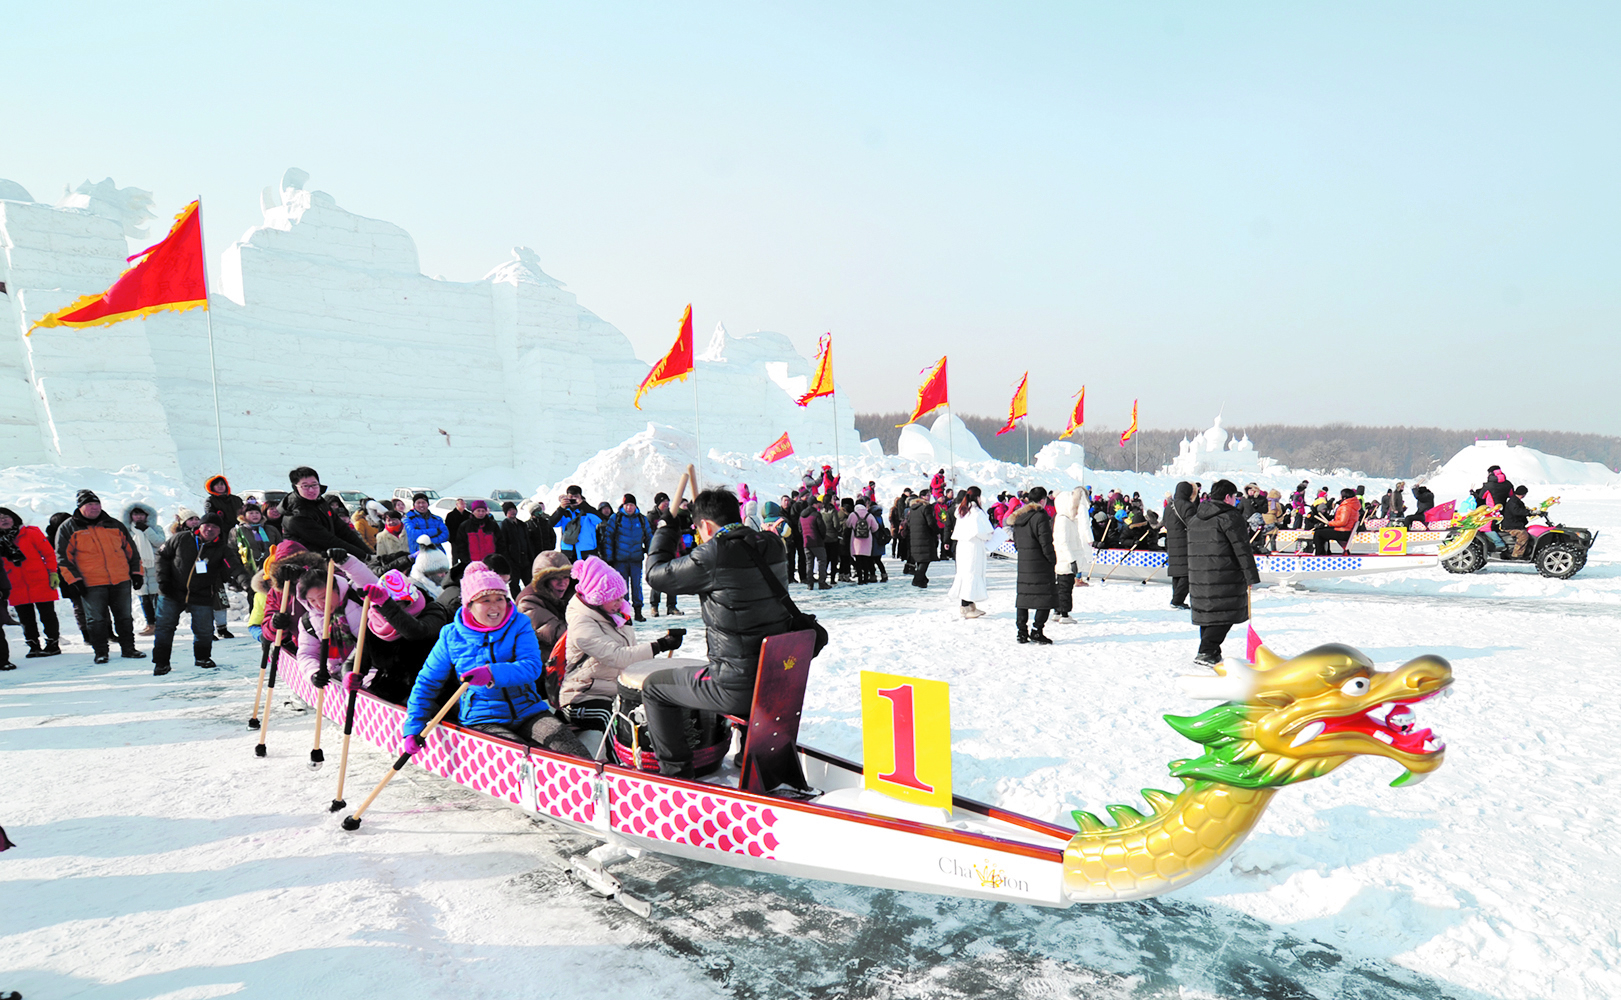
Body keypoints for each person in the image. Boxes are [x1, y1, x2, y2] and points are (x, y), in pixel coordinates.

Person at [640, 488, 793, 778]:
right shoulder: (771, 544)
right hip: (775, 677)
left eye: (699, 530)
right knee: (738, 656)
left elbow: (656, 575)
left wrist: (666, 529)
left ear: (706, 526)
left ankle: (676, 776)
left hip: (737, 686)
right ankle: (750, 758)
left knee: (654, 688)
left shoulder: (713, 554)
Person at [401, 562, 589, 756]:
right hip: (483, 718)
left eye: (500, 598)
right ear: (469, 605)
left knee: (571, 749)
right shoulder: (451, 635)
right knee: (516, 756)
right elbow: (427, 682)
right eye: (485, 600)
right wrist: (414, 725)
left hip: (528, 710)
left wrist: (492, 673)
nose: (495, 606)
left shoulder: (519, 624)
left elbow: (531, 666)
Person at [562, 555, 689, 732]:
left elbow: (630, 653)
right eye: (615, 599)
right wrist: (660, 645)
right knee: (616, 720)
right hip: (582, 696)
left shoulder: (617, 616)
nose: (621, 603)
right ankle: (621, 760)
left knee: (657, 710)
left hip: (615, 690)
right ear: (596, 598)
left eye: (621, 597)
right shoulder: (582, 624)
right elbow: (618, 656)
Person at [55, 490, 145, 664]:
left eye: (97, 504)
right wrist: (74, 580)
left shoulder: (114, 525)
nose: (94, 508)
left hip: (120, 580)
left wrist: (136, 573)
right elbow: (63, 558)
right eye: (89, 505)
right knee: (96, 619)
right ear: (80, 507)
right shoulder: (68, 528)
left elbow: (131, 551)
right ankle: (101, 652)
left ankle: (129, 648)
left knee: (124, 617)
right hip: (91, 583)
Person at [153, 513, 241, 674]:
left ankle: (202, 657)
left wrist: (248, 584)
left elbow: (235, 567)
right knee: (165, 627)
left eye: (215, 527)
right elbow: (162, 555)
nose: (210, 529)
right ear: (200, 525)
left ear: (220, 531)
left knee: (204, 629)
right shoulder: (181, 538)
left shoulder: (221, 548)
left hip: (202, 593)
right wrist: (163, 581)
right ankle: (161, 661)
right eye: (207, 525)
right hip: (171, 591)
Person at [1186, 480, 1261, 667]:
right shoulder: (1230, 517)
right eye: (1235, 497)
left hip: (1199, 574)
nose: (1236, 500)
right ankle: (1206, 651)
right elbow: (1242, 548)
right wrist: (1251, 575)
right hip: (1224, 573)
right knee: (1225, 613)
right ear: (1227, 497)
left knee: (1210, 613)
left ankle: (1211, 651)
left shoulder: (1196, 519)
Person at [355, 569, 451, 704]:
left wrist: (388, 605)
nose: (384, 612)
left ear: (409, 601)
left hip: (430, 691)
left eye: (397, 604)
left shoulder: (433, 610)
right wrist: (352, 674)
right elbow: (359, 657)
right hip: (387, 689)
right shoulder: (374, 620)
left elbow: (417, 632)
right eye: (381, 605)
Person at [0, 507, 62, 659]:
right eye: (0, 518)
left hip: (39, 580)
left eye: (6, 516)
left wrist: (53, 572)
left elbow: (48, 554)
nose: (4, 520)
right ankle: (33, 645)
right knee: (26, 618)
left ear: (14, 517)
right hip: (15, 583)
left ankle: (53, 644)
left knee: (48, 615)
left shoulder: (31, 533)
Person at [281, 467, 371, 560]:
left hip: (326, 557)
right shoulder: (296, 514)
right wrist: (364, 556)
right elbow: (328, 540)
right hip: (305, 562)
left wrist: (368, 552)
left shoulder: (320, 502)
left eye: (314, 485)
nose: (311, 490)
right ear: (295, 487)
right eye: (305, 486)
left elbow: (342, 530)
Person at [1007, 487, 1057, 644]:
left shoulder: (1020, 517)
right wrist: (1052, 559)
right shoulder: (1040, 516)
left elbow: (1016, 542)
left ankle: (1021, 632)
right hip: (1040, 564)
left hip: (1024, 563)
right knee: (1046, 597)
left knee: (1023, 597)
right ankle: (1037, 630)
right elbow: (1046, 542)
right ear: (1042, 500)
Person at [603, 494, 653, 621]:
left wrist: (651, 553)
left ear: (635, 505)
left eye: (631, 505)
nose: (629, 507)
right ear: (623, 505)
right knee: (622, 587)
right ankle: (625, 614)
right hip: (620, 559)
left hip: (636, 558)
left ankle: (638, 611)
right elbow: (608, 538)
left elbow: (648, 536)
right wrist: (609, 557)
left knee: (637, 586)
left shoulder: (641, 519)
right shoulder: (616, 518)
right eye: (627, 505)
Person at [946, 489, 991, 619]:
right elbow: (983, 532)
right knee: (971, 574)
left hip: (962, 546)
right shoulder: (976, 513)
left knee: (965, 574)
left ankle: (968, 604)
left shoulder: (962, 511)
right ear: (977, 497)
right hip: (973, 547)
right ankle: (967, 606)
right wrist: (990, 535)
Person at [517, 550, 573, 650]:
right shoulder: (528, 602)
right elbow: (557, 634)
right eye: (556, 578)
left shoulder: (568, 594)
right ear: (543, 581)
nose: (563, 582)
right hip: (545, 658)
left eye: (566, 577)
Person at [123, 503, 165, 634]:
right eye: (136, 514)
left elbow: (159, 542)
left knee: (157, 597)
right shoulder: (127, 531)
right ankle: (150, 624)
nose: (139, 517)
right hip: (138, 567)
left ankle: (161, 623)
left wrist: (147, 530)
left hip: (154, 565)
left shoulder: (155, 528)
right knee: (144, 598)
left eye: (141, 514)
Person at [1051, 487, 1086, 623]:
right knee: (1065, 588)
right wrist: (1072, 561)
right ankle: (1064, 614)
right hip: (1066, 561)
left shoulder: (1066, 520)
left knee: (1062, 587)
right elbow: (1064, 543)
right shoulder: (1063, 520)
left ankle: (1058, 611)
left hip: (1065, 560)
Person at [644, 494, 682, 616]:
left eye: (668, 501)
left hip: (671, 550)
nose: (666, 503)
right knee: (657, 578)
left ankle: (672, 606)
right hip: (657, 552)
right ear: (658, 503)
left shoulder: (673, 516)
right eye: (663, 501)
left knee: (672, 578)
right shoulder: (651, 517)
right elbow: (647, 534)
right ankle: (654, 606)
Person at [232, 502, 282, 588]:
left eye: (257, 513)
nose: (255, 515)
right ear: (244, 515)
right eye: (251, 513)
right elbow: (233, 549)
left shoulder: (270, 529)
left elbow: (280, 545)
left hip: (271, 567)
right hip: (250, 568)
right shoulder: (238, 531)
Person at [550, 486, 603, 561]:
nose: (573, 499)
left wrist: (583, 504)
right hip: (568, 551)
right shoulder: (564, 512)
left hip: (587, 550)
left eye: (576, 496)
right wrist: (561, 508)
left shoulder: (587, 510)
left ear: (581, 496)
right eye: (571, 496)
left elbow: (598, 519)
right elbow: (551, 523)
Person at [452, 500, 499, 575]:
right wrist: (465, 561)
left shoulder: (493, 525)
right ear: (473, 512)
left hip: (491, 564)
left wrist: (498, 559)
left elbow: (500, 543)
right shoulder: (465, 526)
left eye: (483, 511)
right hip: (472, 565)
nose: (481, 513)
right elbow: (461, 545)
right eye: (478, 511)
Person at [495, 502, 533, 595]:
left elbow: (527, 541)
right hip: (512, 561)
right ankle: (518, 603)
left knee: (529, 583)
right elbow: (502, 544)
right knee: (514, 584)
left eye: (513, 509)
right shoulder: (504, 525)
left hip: (525, 559)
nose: (512, 512)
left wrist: (530, 555)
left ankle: (531, 600)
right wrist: (507, 559)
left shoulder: (522, 524)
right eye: (509, 510)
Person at [1312, 489, 1361, 555]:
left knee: (1318, 533)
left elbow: (1343, 522)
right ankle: (1326, 552)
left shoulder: (1346, 507)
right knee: (1323, 531)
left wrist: (1329, 523)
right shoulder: (1352, 505)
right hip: (1346, 530)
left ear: (1344, 497)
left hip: (1343, 532)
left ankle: (1319, 554)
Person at [905, 494, 938, 588]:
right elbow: (931, 522)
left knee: (920, 559)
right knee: (925, 560)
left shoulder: (912, 510)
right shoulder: (925, 508)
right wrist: (936, 531)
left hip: (914, 538)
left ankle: (922, 580)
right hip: (925, 537)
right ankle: (917, 579)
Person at [846, 501, 881, 584]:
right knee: (866, 560)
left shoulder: (853, 515)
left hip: (856, 540)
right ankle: (865, 578)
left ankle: (860, 579)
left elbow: (848, 525)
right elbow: (875, 527)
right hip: (867, 541)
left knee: (858, 561)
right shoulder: (869, 515)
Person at [798, 500, 829, 590]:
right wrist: (822, 537)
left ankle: (810, 583)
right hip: (817, 541)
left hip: (806, 542)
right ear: (814, 504)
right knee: (822, 561)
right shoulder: (816, 515)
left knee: (809, 563)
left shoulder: (801, 516)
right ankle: (822, 582)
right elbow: (822, 528)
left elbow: (800, 529)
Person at [1500, 485, 1534, 558]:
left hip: (1515, 524)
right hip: (1510, 526)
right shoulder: (1513, 502)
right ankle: (1516, 555)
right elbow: (1517, 511)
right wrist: (1529, 512)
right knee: (1523, 535)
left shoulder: (1516, 501)